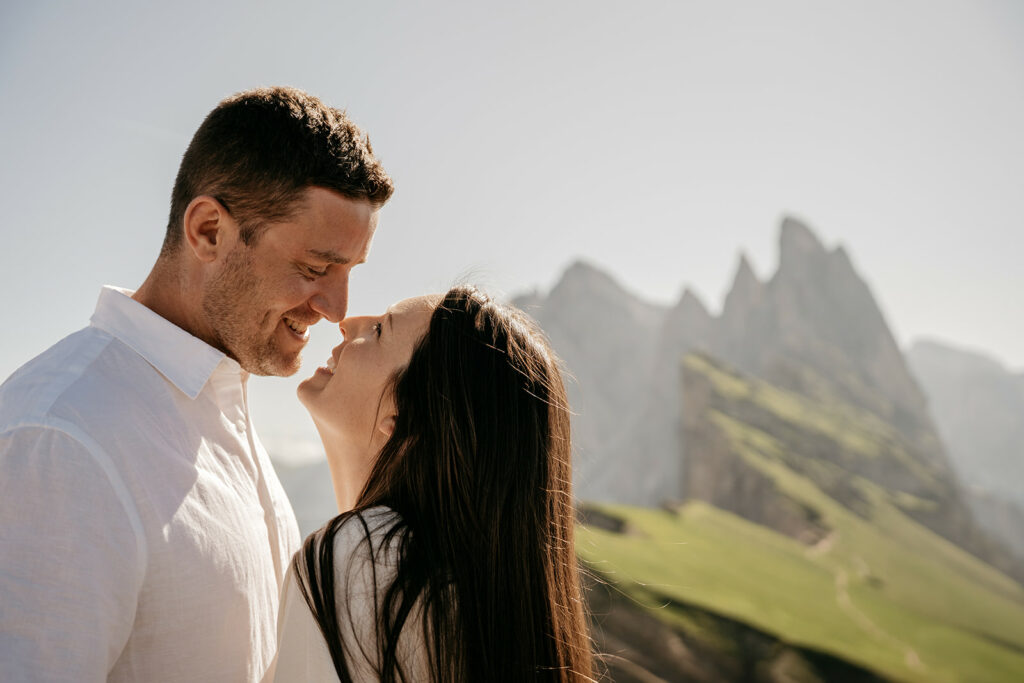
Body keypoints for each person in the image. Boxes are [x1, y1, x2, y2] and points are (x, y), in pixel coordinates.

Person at [0, 86, 393, 681]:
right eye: (315, 268)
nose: (337, 308)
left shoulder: (223, 412)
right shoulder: (60, 439)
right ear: (209, 231)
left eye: (347, 272)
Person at [271, 286, 595, 682]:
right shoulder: (486, 598)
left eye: (378, 331)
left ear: (405, 420)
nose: (345, 322)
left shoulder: (358, 559)